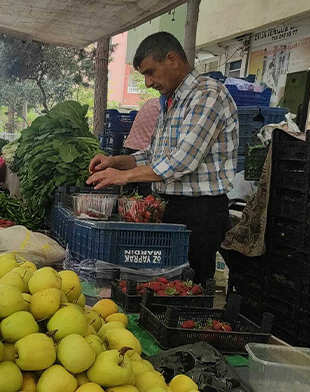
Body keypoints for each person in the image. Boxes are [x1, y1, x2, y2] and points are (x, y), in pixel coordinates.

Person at [86, 32, 238, 284]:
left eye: (150, 72)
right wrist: (115, 162)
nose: (147, 83)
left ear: (172, 59)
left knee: (191, 288)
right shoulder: (172, 102)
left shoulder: (208, 95)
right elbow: (152, 155)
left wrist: (123, 177)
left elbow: (182, 160)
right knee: (165, 283)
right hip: (173, 207)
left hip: (201, 212)